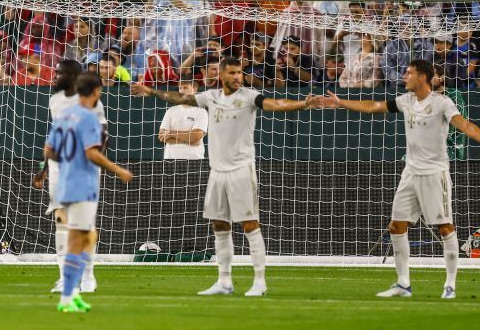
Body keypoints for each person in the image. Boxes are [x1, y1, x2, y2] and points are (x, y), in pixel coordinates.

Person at [315, 60, 480, 299]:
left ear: (423, 77)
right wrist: (340, 102)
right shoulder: (405, 101)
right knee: (396, 226)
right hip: (410, 172)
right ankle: (403, 284)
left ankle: (450, 285)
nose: (404, 76)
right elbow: (373, 105)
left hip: (434, 172)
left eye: (409, 73)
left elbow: (465, 125)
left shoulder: (442, 103)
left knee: (444, 227)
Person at [132, 57, 314, 297]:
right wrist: (150, 90)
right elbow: (181, 98)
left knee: (250, 225)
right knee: (219, 225)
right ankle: (224, 281)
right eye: (232, 73)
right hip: (217, 171)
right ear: (222, 75)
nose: (237, 77)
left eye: (239, 72)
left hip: (241, 169)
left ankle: (260, 281)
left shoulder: (249, 96)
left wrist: (302, 104)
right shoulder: (211, 97)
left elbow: (275, 103)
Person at [44, 72, 133, 313]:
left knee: (82, 237)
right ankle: (69, 295)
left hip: (64, 181)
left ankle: (70, 292)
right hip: (83, 184)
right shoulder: (89, 118)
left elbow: (49, 150)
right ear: (95, 91)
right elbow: (92, 153)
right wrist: (118, 170)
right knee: (79, 239)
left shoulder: (63, 116)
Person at [31, 60, 108, 295]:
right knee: (60, 219)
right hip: (57, 168)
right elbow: (55, 136)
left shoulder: (89, 101)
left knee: (83, 223)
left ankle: (88, 275)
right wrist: (44, 169)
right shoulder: (54, 100)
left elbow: (103, 133)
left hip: (83, 168)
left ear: (73, 75)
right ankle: (66, 277)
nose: (54, 77)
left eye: (59, 73)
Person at [156, 78, 208, 160]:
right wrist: (189, 140)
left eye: (185, 87)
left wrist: (171, 133)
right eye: (180, 88)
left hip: (194, 159)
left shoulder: (201, 112)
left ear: (194, 89)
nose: (182, 90)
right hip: (170, 159)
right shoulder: (171, 110)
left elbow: (196, 136)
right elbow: (162, 137)